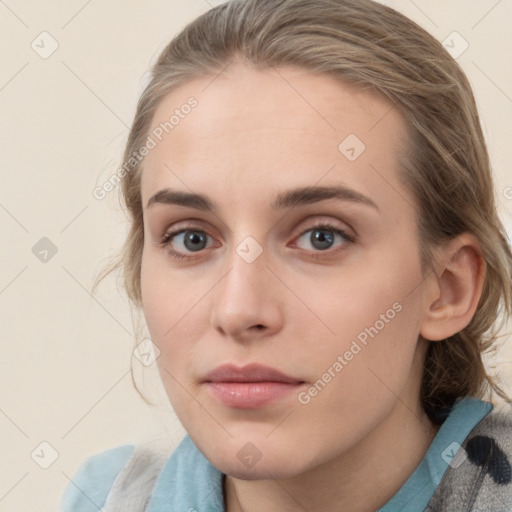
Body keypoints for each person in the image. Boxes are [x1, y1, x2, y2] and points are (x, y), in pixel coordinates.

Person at [60, 0, 512, 510]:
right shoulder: (105, 497)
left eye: (322, 237)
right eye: (192, 238)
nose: (238, 311)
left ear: (447, 288)